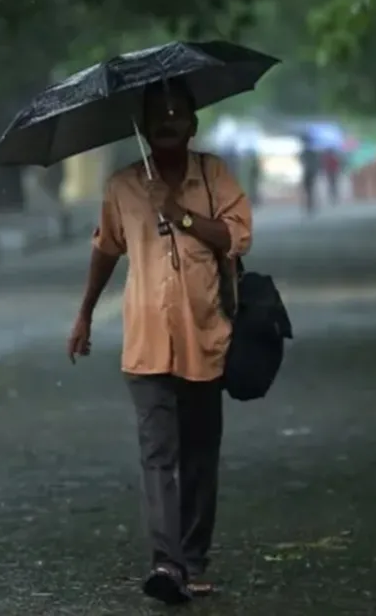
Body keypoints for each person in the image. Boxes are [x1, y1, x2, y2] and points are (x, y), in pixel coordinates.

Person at [67, 78, 253, 605]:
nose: (168, 122)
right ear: (145, 128)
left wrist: (180, 213)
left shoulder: (213, 175)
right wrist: (84, 314)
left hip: (205, 337)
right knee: (157, 454)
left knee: (199, 457)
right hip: (146, 342)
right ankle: (167, 564)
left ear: (193, 124)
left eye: (177, 114)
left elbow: (238, 236)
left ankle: (193, 559)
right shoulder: (123, 186)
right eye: (158, 115)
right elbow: (106, 250)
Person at [299, 128, 319, 215]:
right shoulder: (311, 152)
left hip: (308, 172)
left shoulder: (305, 152)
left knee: (309, 190)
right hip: (310, 172)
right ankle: (310, 206)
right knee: (310, 190)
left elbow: (302, 161)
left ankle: (309, 206)